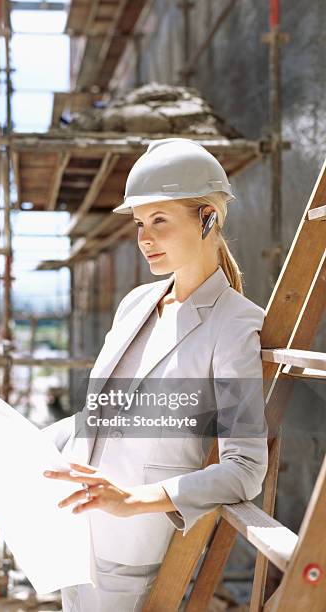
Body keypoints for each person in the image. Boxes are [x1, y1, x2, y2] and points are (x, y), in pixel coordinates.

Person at [42, 138, 269, 611]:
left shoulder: (235, 323)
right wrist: (21, 441)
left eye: (160, 220)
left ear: (208, 217)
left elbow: (245, 469)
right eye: (141, 223)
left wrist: (135, 499)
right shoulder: (136, 304)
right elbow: (102, 415)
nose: (145, 238)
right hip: (70, 529)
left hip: (128, 547)